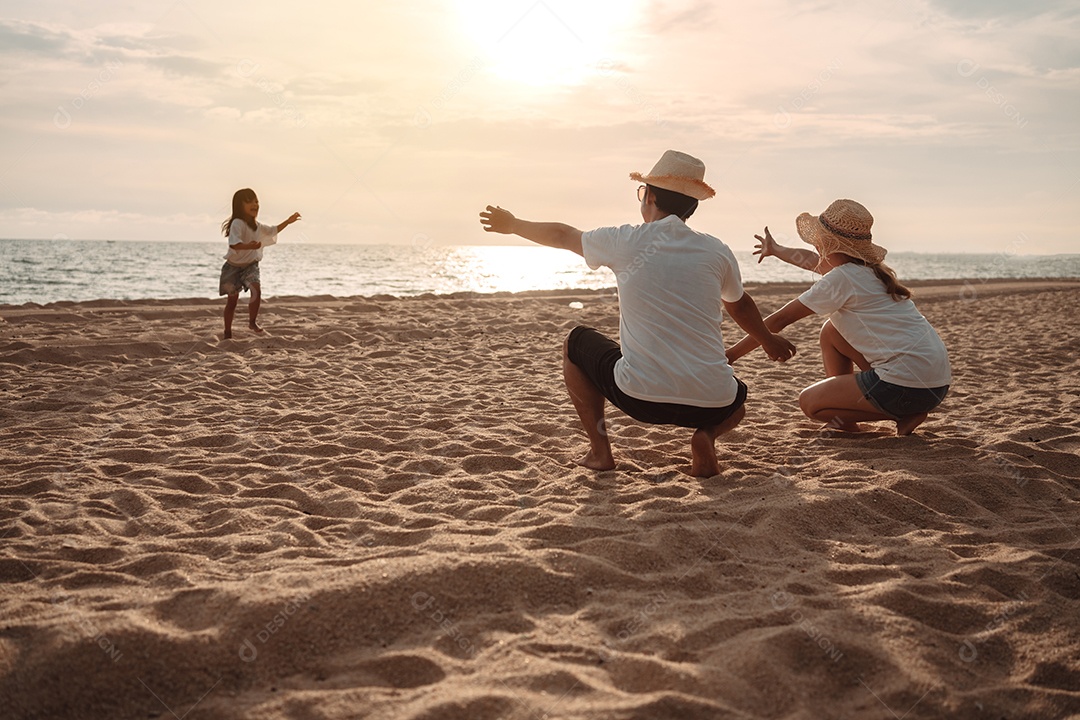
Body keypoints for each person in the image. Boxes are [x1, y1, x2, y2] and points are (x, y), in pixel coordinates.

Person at [479, 150, 796, 478]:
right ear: (692, 207)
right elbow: (739, 305)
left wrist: (513, 225)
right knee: (737, 400)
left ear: (652, 197)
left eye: (643, 192)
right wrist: (767, 340)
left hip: (640, 398)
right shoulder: (717, 250)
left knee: (576, 342)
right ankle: (706, 435)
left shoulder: (625, 240)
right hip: (713, 402)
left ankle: (600, 453)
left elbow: (562, 235)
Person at [726, 198, 951, 436]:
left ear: (825, 243)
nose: (815, 248)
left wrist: (730, 355)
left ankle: (901, 413)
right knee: (831, 331)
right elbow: (811, 262)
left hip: (905, 387)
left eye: (818, 242)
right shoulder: (869, 271)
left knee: (810, 403)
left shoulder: (842, 279)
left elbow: (779, 321)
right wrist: (777, 250)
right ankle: (853, 420)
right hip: (935, 385)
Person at [219, 188, 301, 339]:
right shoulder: (237, 223)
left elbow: (273, 230)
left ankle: (252, 322)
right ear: (239, 205)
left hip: (250, 265)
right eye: (249, 201)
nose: (254, 204)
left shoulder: (258, 226)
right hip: (232, 268)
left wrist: (288, 222)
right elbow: (234, 245)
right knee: (232, 302)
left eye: (256, 201)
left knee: (256, 289)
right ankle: (227, 332)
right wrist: (250, 246)